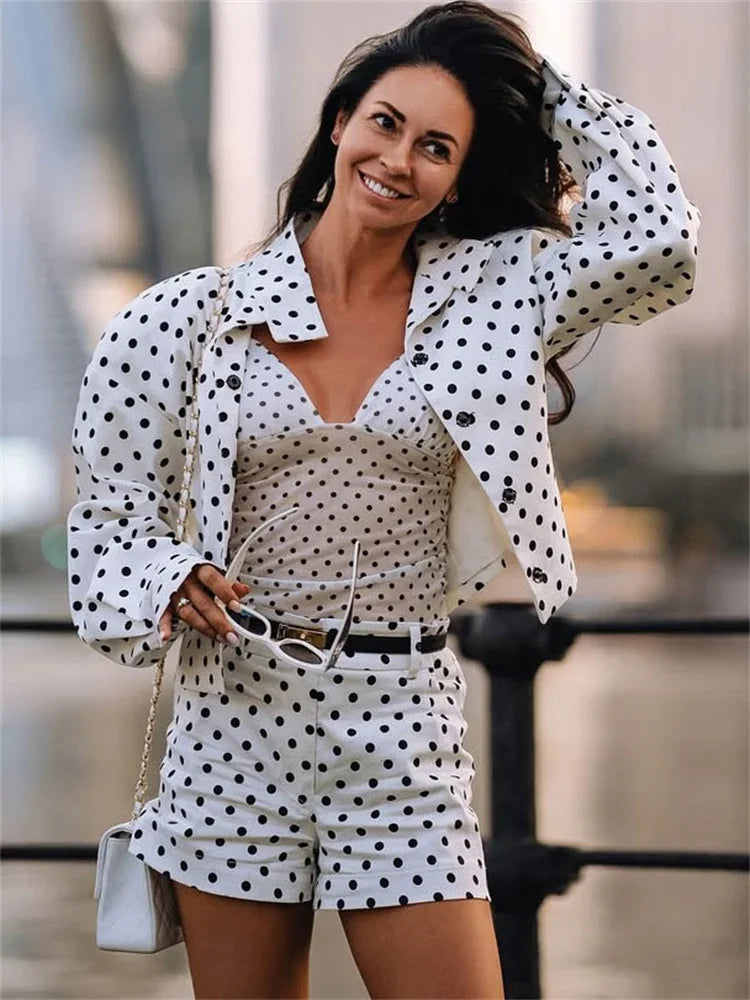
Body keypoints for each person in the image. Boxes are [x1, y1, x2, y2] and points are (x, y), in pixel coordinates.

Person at [67, 2, 700, 996]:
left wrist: (538, 86)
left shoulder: (496, 295)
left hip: (401, 724)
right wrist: (166, 571)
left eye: (438, 147)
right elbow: (108, 527)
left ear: (457, 177)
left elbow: (660, 243)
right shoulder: (186, 318)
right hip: (233, 724)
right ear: (339, 123)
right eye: (387, 122)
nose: (401, 159)